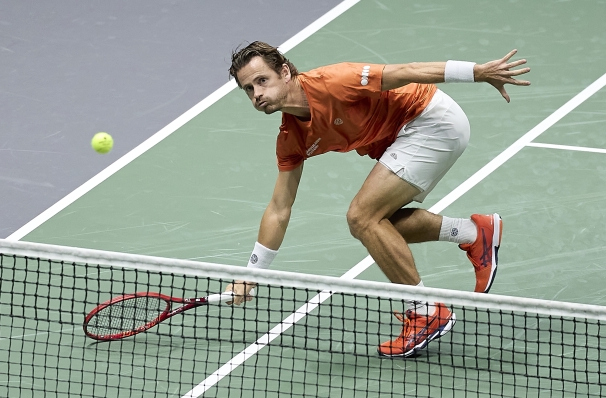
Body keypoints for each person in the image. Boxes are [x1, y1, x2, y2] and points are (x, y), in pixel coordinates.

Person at [224, 41, 530, 358]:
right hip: (406, 136)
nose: (257, 94)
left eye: (262, 81)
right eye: (248, 89)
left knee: (362, 216)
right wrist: (251, 275)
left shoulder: (334, 81)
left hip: (430, 120)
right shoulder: (292, 138)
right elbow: (279, 209)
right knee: (377, 225)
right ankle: (472, 232)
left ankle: (426, 311)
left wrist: (477, 72)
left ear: (284, 72)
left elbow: (407, 71)